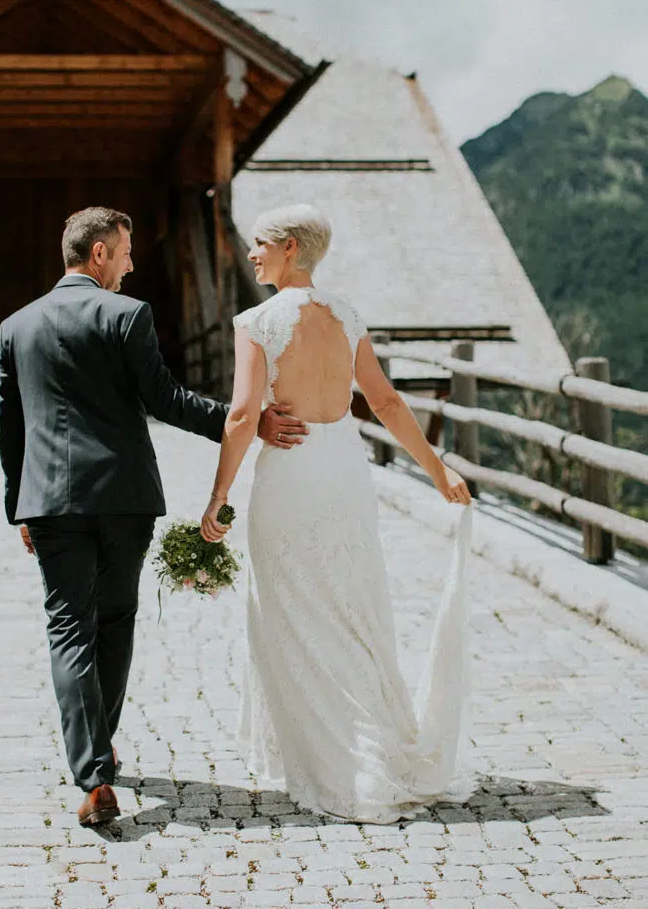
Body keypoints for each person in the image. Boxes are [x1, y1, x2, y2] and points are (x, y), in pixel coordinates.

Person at [0, 206, 307, 828]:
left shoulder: (15, 326)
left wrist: (18, 507)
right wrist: (245, 422)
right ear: (99, 253)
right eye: (126, 251)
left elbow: (12, 426)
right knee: (115, 621)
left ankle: (93, 775)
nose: (132, 264)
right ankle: (100, 754)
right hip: (125, 497)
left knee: (69, 629)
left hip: (50, 501)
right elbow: (165, 399)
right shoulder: (126, 315)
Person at [201, 204, 475, 823]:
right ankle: (371, 743)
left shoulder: (258, 322)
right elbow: (385, 401)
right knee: (351, 607)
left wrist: (218, 495)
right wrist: (439, 471)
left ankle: (333, 761)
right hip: (346, 472)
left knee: (292, 610)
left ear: (291, 247)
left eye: (261, 244)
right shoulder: (347, 315)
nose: (252, 254)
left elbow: (242, 415)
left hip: (292, 475)